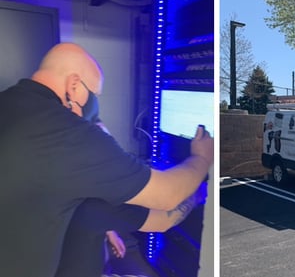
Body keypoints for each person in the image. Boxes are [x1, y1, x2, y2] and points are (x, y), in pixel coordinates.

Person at [0, 42, 214, 277]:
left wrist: (109, 228)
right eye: (95, 95)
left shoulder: (10, 103)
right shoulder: (68, 132)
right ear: (73, 84)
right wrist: (201, 158)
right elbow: (166, 196)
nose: (95, 106)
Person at [56, 90, 203, 277]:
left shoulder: (58, 175)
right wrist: (197, 187)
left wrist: (109, 230)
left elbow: (86, 218)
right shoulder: (98, 201)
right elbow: (164, 220)